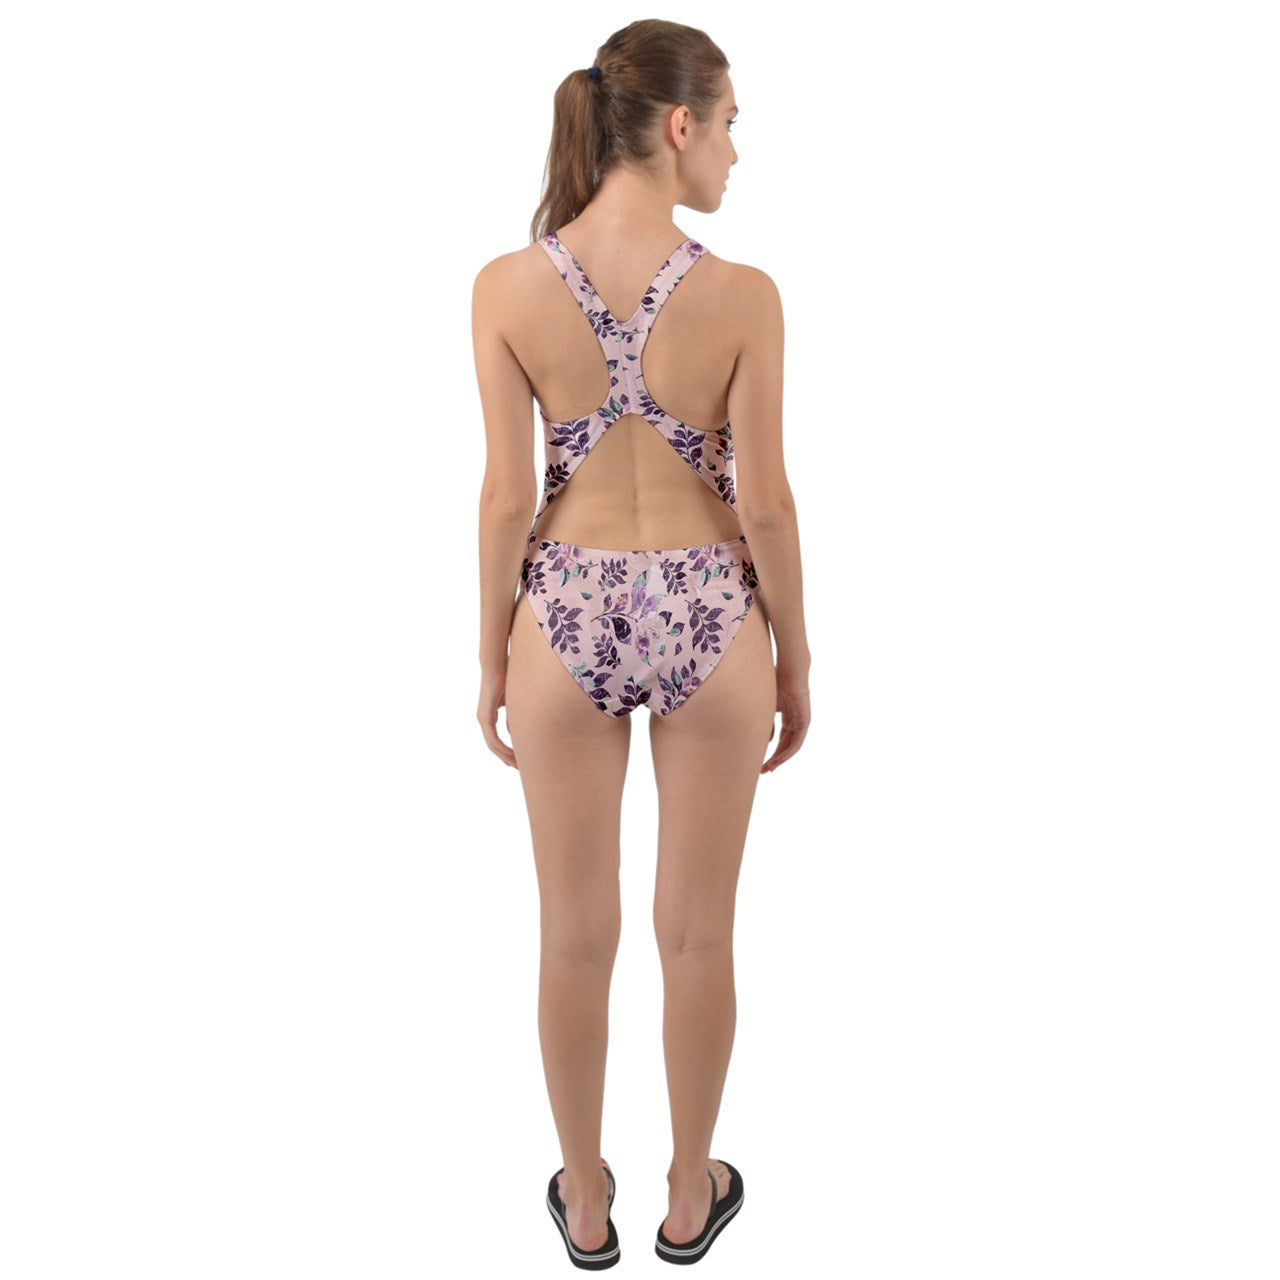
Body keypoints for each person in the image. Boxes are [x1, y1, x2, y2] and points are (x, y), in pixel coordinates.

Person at [471, 18, 811, 1268]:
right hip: (711, 611)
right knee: (696, 932)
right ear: (678, 125)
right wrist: (794, 655)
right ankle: (683, 1191)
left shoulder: (506, 288)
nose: (734, 152)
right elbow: (765, 504)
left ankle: (582, 1196)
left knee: (572, 930)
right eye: (728, 125)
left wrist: (491, 650)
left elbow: (507, 495)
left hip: (561, 610)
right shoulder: (742, 297)